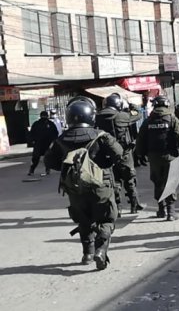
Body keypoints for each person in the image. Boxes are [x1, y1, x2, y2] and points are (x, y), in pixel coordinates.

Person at [44, 97, 122, 269]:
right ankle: (101, 250)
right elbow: (118, 153)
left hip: (75, 188)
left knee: (84, 220)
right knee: (107, 218)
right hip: (100, 185)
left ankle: (87, 254)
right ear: (91, 116)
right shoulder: (101, 136)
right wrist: (104, 165)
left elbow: (49, 161)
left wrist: (68, 168)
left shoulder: (61, 139)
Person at [136, 96, 179, 221]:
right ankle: (171, 212)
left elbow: (141, 139)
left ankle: (161, 210)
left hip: (154, 157)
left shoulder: (148, 121)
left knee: (158, 182)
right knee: (170, 182)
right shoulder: (172, 119)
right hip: (170, 156)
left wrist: (140, 154)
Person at [95, 93, 145, 215]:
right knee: (129, 179)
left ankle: (117, 207)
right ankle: (134, 204)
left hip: (106, 153)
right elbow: (138, 114)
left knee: (114, 180)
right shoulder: (121, 116)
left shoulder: (97, 117)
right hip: (124, 152)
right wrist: (132, 105)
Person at [27, 111, 59, 177]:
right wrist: (32, 141)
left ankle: (46, 169)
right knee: (36, 157)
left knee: (47, 157)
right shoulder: (37, 124)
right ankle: (32, 170)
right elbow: (31, 133)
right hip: (39, 144)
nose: (44, 117)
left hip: (46, 144)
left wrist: (53, 141)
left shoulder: (50, 124)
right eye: (43, 116)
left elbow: (55, 133)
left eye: (45, 116)